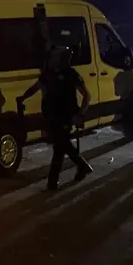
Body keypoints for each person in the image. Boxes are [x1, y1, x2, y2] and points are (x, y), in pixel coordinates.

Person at [16, 45, 93, 191]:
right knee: (63, 145)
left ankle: (53, 183)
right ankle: (82, 166)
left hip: (65, 116)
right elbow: (35, 87)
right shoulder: (48, 74)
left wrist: (80, 114)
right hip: (52, 116)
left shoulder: (71, 74)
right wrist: (23, 98)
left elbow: (86, 95)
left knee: (59, 148)